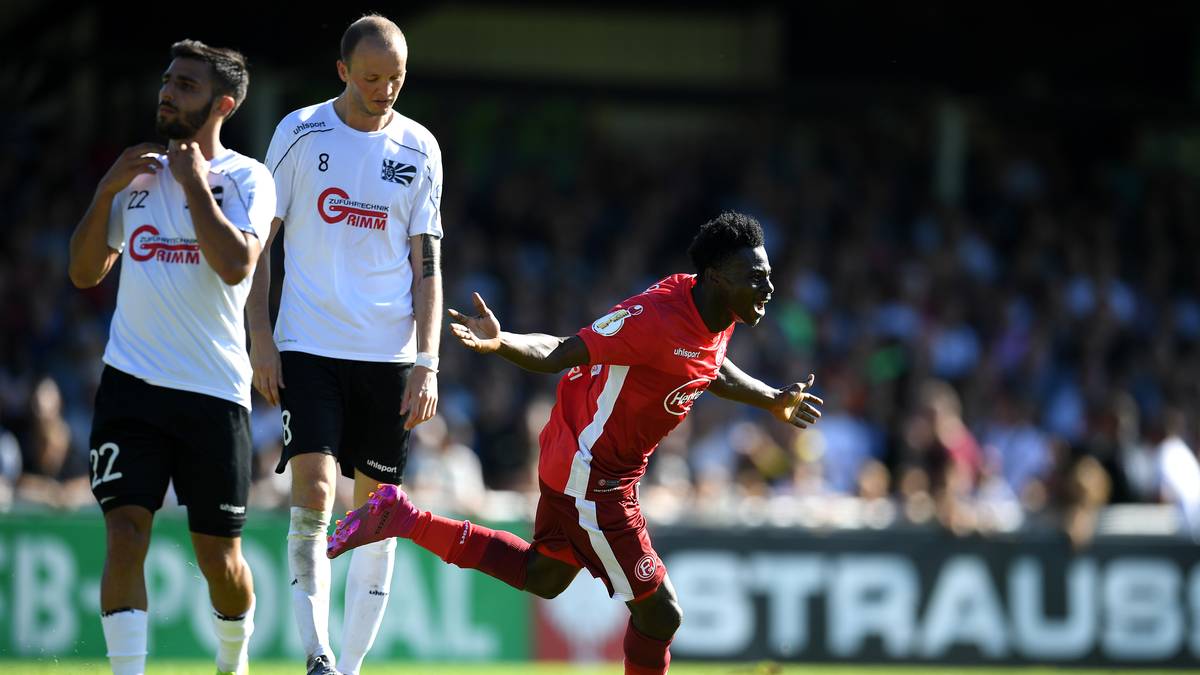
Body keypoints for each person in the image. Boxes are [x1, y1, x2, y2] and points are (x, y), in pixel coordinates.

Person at [329, 212, 822, 674]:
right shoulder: (654, 318)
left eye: (768, 275)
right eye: (755, 277)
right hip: (593, 475)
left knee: (544, 575)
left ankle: (402, 517)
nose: (769, 287)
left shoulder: (717, 315)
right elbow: (560, 351)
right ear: (717, 277)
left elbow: (708, 366)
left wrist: (772, 399)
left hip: (582, 461)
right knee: (661, 616)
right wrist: (502, 342)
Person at [67, 40, 272, 675]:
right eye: (167, 80)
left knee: (221, 561)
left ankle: (232, 660)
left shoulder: (246, 179)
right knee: (125, 533)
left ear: (223, 104)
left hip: (214, 395)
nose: (167, 92)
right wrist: (105, 191)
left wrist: (190, 183)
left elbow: (238, 263)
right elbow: (82, 272)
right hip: (132, 387)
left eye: (185, 85)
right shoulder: (136, 176)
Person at [247, 13, 443, 675]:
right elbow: (260, 244)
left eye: (396, 78)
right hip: (308, 346)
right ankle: (317, 654)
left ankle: (351, 665)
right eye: (371, 78)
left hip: (388, 358)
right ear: (341, 72)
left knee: (378, 513)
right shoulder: (299, 133)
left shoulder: (419, 147)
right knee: (314, 488)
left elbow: (428, 266)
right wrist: (261, 339)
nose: (385, 89)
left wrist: (427, 361)